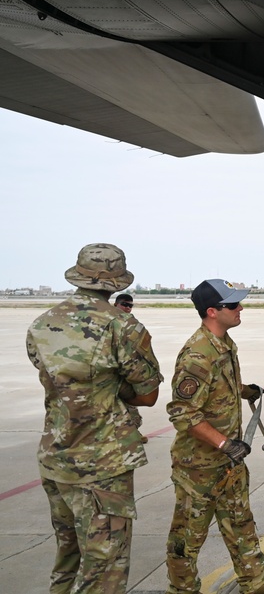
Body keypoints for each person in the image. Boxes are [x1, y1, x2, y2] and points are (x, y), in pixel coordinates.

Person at [26, 243, 161, 594]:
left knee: (68, 554)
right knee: (105, 566)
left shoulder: (42, 324)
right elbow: (147, 395)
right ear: (116, 281)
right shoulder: (122, 326)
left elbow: (55, 381)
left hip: (55, 456)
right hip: (101, 464)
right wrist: (114, 389)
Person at [165, 279, 264, 594]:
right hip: (199, 467)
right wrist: (225, 443)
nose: (241, 308)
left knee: (240, 523)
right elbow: (183, 412)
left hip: (228, 462)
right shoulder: (198, 354)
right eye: (233, 305)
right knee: (188, 537)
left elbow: (217, 386)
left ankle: (256, 583)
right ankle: (181, 590)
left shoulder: (223, 344)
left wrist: (244, 391)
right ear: (212, 311)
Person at [113, 293, 148, 443]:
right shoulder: (107, 321)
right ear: (116, 304)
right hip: (111, 373)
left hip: (125, 372)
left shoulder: (131, 323)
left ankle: (133, 432)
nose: (127, 308)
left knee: (130, 409)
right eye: (124, 304)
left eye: (130, 305)